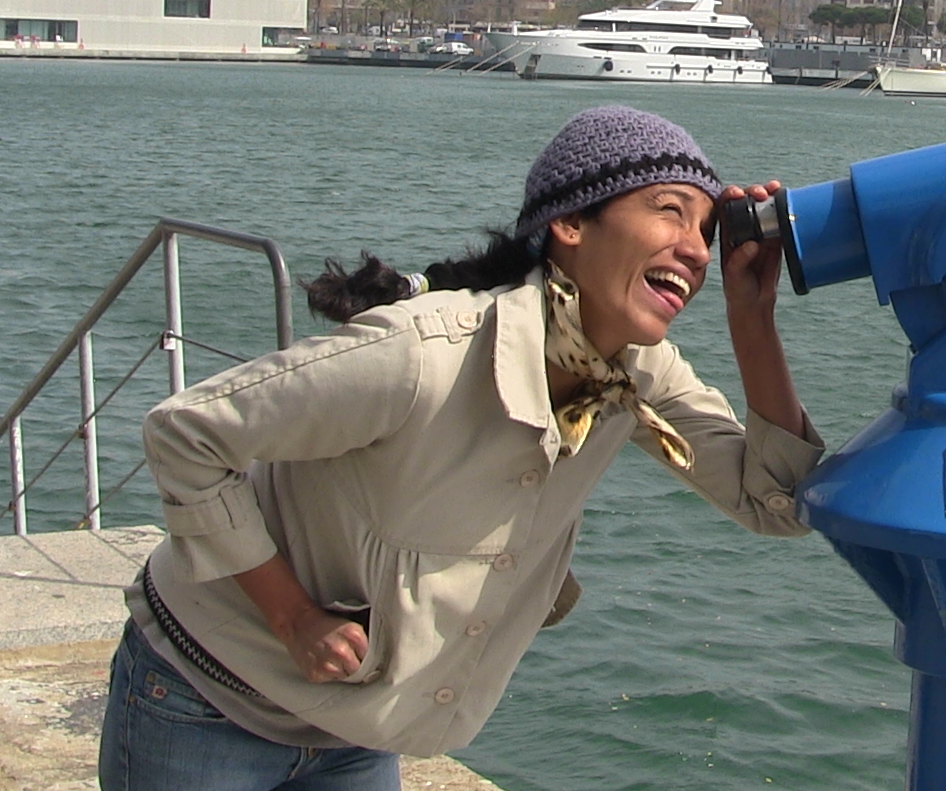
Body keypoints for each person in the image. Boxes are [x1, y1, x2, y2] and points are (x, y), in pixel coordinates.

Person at [99, 106, 823, 790]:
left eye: (706, 229)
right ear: (571, 221)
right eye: (670, 212)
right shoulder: (421, 355)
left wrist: (751, 313)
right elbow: (185, 434)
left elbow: (775, 505)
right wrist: (291, 616)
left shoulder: (634, 376)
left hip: (358, 729)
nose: (695, 250)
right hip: (206, 698)